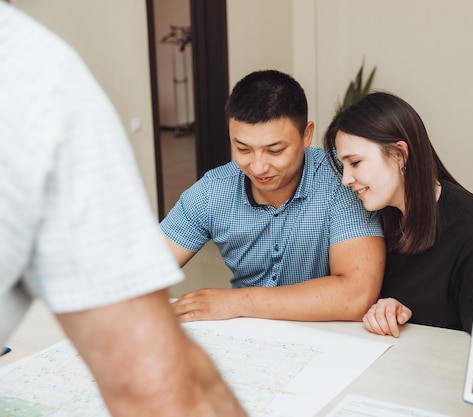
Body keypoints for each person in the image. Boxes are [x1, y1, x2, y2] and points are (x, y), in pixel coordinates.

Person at [0, 4, 245, 416]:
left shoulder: (331, 182)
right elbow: (160, 388)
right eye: (243, 148)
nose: (259, 165)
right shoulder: (35, 77)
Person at [161, 70, 386, 323]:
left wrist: (237, 301)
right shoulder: (212, 192)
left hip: (329, 335)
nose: (258, 167)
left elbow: (355, 296)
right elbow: (145, 272)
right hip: (249, 338)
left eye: (275, 150)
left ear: (306, 135)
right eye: (243, 149)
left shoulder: (342, 179)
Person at [324, 92, 473, 337]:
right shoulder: (379, 217)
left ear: (400, 154)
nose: (346, 179)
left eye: (355, 163)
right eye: (343, 166)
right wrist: (387, 309)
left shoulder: (472, 231)